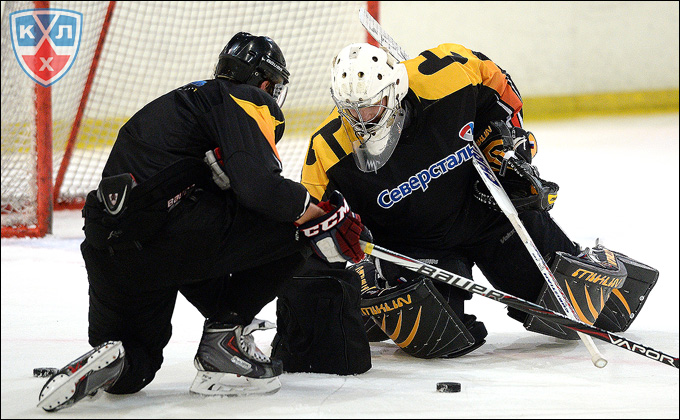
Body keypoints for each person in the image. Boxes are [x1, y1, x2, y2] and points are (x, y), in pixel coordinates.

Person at [37, 32, 368, 412]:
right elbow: (262, 190)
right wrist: (321, 214)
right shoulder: (244, 98)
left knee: (139, 366)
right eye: (271, 86)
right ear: (263, 83)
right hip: (169, 234)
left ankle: (115, 365)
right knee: (297, 228)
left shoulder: (177, 104)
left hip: (110, 247)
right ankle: (224, 340)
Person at [298, 42, 658, 359]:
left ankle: (597, 258)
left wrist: (508, 145)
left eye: (371, 107)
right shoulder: (328, 150)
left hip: (487, 214)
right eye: (352, 109)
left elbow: (500, 88)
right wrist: (353, 261)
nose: (362, 119)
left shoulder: (446, 75)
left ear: (393, 91)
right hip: (416, 248)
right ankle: (374, 312)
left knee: (579, 309)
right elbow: (309, 224)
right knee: (433, 339)